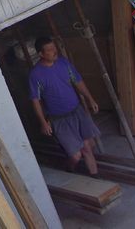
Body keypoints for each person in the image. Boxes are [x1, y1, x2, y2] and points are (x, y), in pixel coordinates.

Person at [29, 36, 101, 175]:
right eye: (49, 50)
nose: (54, 51)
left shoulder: (64, 64)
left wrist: (90, 99)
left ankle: (96, 177)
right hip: (59, 118)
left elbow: (78, 81)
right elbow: (35, 100)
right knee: (76, 156)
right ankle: (69, 167)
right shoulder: (35, 75)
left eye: (54, 47)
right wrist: (43, 122)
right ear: (41, 54)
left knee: (88, 146)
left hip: (76, 111)